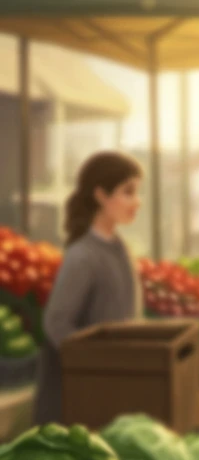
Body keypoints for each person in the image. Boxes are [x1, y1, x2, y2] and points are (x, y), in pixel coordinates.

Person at [34, 151, 144, 424]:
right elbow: (56, 324)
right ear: (101, 195)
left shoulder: (119, 249)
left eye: (137, 192)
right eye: (127, 192)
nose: (137, 202)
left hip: (111, 385)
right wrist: (95, 363)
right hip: (80, 396)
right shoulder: (83, 255)